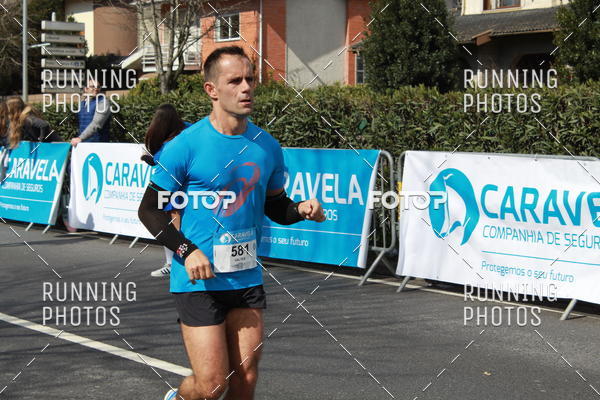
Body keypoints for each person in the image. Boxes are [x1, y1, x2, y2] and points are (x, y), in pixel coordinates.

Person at [138, 46, 325, 400]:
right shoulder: (185, 146)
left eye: (250, 79)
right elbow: (150, 210)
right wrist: (186, 250)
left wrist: (300, 208)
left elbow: (275, 206)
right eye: (235, 81)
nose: (246, 88)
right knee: (211, 385)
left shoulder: (267, 146)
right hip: (197, 280)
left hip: (245, 275)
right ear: (211, 90)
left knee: (246, 377)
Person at [141, 104, 189, 278]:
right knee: (172, 219)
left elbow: (162, 161)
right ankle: (174, 262)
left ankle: (176, 262)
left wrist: (148, 158)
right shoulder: (189, 128)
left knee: (169, 220)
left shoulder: (170, 143)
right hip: (185, 184)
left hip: (172, 185)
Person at [70, 79, 111, 146]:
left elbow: (96, 124)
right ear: (86, 89)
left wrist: (80, 138)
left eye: (98, 87)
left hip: (98, 145)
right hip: (82, 144)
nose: (96, 89)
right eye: (92, 86)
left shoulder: (103, 102)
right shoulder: (82, 103)